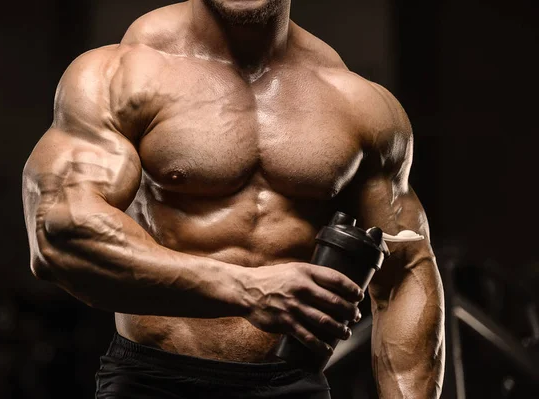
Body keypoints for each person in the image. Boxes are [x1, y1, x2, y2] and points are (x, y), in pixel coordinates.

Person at [22, 1, 445, 398]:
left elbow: (406, 268)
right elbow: (59, 232)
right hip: (154, 381)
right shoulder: (120, 74)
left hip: (293, 385)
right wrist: (245, 289)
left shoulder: (359, 103)